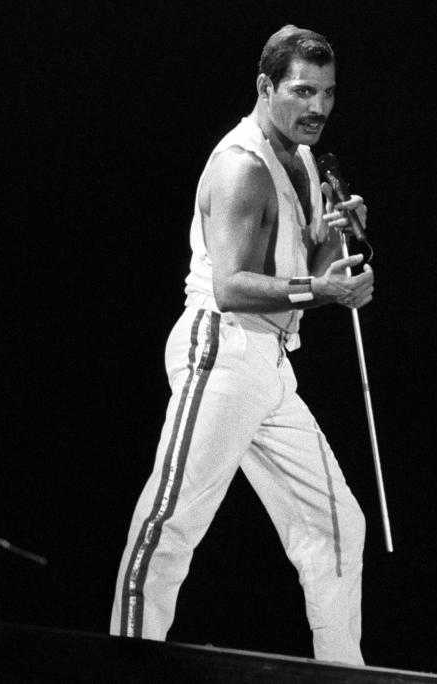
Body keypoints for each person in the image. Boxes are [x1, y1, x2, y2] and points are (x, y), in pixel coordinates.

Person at [110, 25, 373, 666]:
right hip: (220, 350)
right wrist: (324, 289)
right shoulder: (241, 166)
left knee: (336, 525)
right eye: (302, 91)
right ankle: (123, 664)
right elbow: (231, 286)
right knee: (172, 521)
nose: (317, 107)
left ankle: (344, 674)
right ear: (265, 86)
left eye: (328, 93)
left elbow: (304, 273)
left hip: (271, 363)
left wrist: (335, 240)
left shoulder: (303, 160)